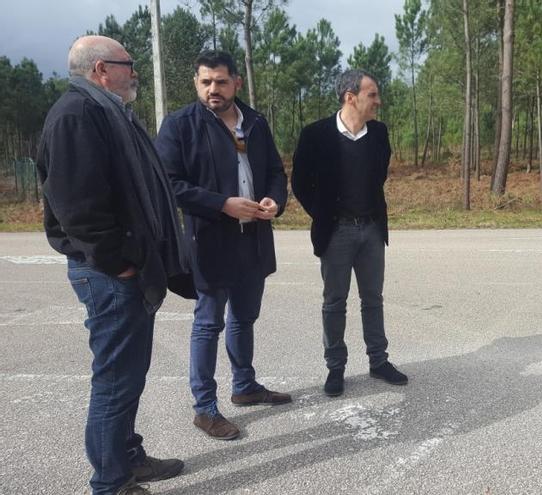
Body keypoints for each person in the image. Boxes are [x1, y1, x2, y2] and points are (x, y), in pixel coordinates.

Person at [36, 35, 193, 495]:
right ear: (102, 69)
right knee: (115, 380)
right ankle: (110, 482)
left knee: (127, 374)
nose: (135, 73)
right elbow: (77, 205)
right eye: (128, 65)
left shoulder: (104, 111)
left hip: (123, 269)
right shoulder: (76, 115)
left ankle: (127, 457)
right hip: (109, 273)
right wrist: (118, 263)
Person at [155, 50, 290, 441]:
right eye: (205, 82)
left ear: (236, 83)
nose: (213, 89)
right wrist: (221, 204)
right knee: (208, 323)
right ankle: (205, 408)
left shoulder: (257, 122)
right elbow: (170, 184)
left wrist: (274, 200)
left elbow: (276, 172)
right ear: (197, 83)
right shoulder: (180, 125)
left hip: (255, 240)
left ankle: (245, 387)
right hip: (210, 240)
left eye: (220, 81)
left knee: (245, 318)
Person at [292, 69, 408, 397]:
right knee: (334, 302)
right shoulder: (316, 135)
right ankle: (335, 367)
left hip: (371, 229)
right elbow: (300, 183)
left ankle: (378, 361)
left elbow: (378, 176)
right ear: (350, 97)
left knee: (373, 299)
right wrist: (326, 215)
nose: (378, 101)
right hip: (336, 233)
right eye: (372, 95)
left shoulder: (379, 134)